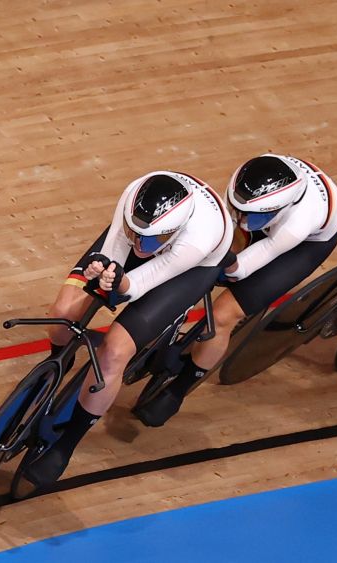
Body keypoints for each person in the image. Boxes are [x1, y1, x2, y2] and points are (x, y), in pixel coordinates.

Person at [24, 170, 233, 487]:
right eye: (134, 232)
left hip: (190, 268)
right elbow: (118, 249)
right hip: (152, 233)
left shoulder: (197, 240)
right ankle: (59, 360)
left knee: (114, 352)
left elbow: (135, 286)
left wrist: (118, 281)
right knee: (63, 313)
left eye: (148, 239)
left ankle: (66, 446)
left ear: (172, 231)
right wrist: (102, 270)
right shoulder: (134, 201)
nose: (139, 244)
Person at [138, 154, 337, 425]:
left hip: (306, 244)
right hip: (268, 212)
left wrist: (225, 265)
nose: (241, 218)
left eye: (248, 215)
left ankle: (180, 389)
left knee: (224, 315)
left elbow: (242, 268)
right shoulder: (245, 193)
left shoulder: (295, 226)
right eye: (238, 209)